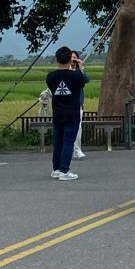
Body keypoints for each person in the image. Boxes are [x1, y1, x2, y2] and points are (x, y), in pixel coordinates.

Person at [45, 46, 88, 181]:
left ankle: (56, 169)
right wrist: (80, 67)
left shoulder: (50, 77)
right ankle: (65, 170)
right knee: (68, 142)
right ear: (71, 59)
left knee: (58, 141)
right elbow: (82, 82)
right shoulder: (76, 76)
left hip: (58, 112)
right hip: (72, 112)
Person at [71, 49, 86, 160]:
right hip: (65, 105)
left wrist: (81, 68)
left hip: (77, 104)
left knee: (78, 127)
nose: (73, 59)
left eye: (75, 58)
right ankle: (68, 149)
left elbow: (85, 80)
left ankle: (77, 149)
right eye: (71, 57)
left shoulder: (79, 72)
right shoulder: (64, 71)